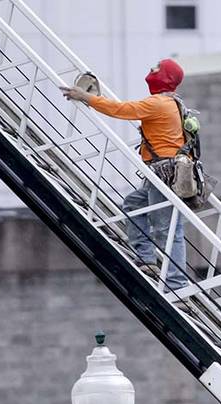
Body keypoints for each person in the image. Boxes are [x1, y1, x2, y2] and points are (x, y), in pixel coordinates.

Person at [61, 59, 188, 289]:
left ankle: (177, 285)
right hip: (164, 173)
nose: (151, 69)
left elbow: (121, 110)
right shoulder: (172, 103)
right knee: (133, 205)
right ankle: (147, 259)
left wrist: (86, 97)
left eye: (157, 68)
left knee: (166, 229)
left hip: (163, 174)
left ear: (166, 77)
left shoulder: (158, 103)